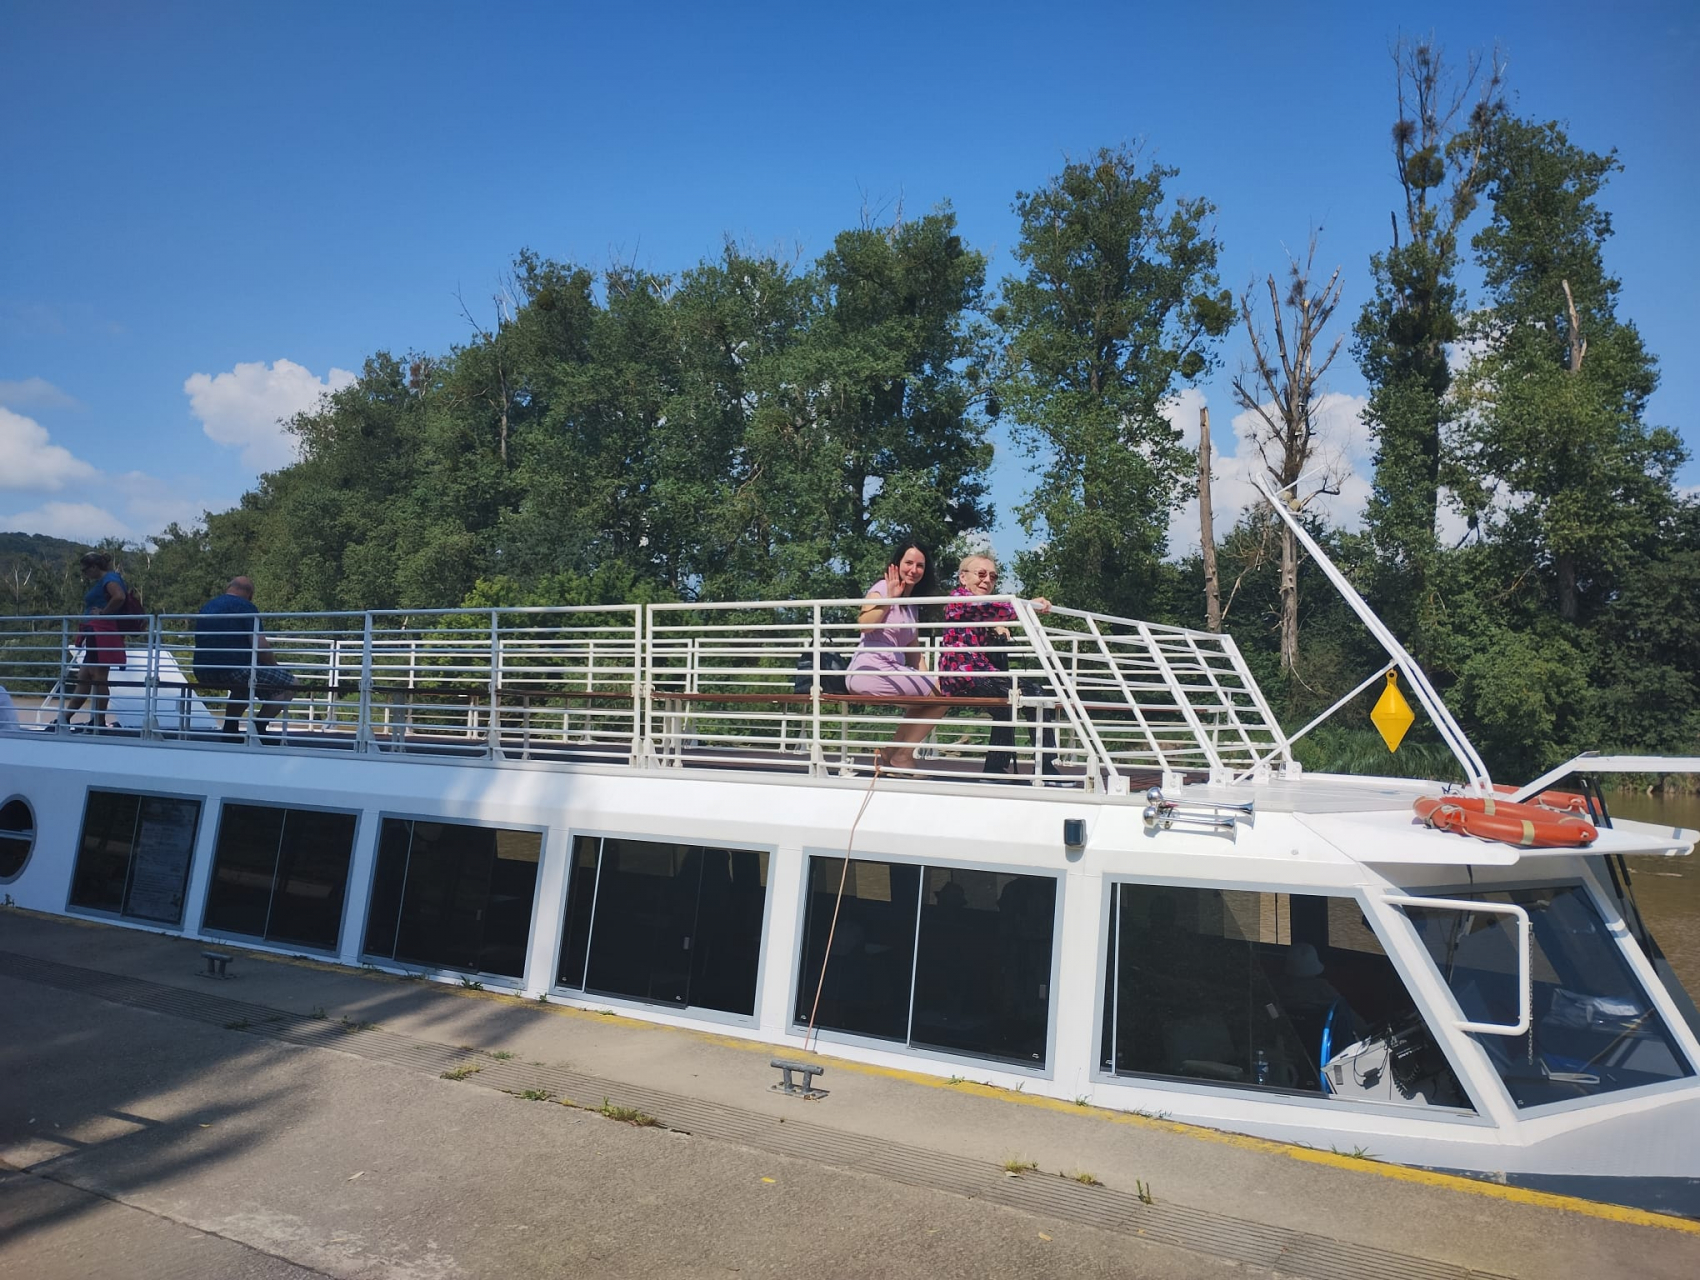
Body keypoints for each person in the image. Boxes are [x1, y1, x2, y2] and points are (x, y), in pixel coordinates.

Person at [937, 554, 1057, 777]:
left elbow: (984, 615)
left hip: (975, 672)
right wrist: (1030, 605)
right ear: (963, 577)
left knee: (1006, 706)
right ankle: (1046, 766)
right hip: (964, 672)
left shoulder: (974, 606)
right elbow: (993, 608)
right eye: (981, 574)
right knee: (1034, 692)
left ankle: (995, 768)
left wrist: (996, 628)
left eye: (992, 577)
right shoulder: (960, 599)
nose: (987, 580)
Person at [845, 541, 950, 771]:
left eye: (920, 565)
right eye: (908, 563)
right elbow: (864, 624)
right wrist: (889, 600)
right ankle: (901, 755)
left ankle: (894, 752)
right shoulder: (883, 587)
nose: (914, 569)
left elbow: (913, 651)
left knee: (939, 695)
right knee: (942, 694)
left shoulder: (911, 604)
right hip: (870, 670)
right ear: (897, 564)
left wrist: (929, 682)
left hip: (892, 671)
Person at [192, 577, 297, 740]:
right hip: (234, 670)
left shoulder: (207, 607)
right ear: (250, 594)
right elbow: (261, 647)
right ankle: (258, 729)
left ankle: (230, 730)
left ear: (229, 588)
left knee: (245, 685)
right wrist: (275, 666)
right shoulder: (246, 607)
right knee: (291, 684)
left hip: (202, 671)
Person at [56, 551, 128, 732]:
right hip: (94, 633)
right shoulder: (105, 580)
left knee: (98, 677)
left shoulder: (110, 578)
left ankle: (98, 721)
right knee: (85, 677)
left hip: (101, 633)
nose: (84, 573)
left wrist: (103, 613)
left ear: (94, 567)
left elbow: (119, 596)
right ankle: (65, 718)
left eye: (85, 570)